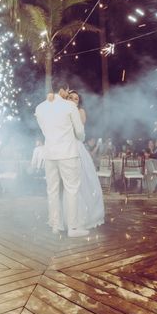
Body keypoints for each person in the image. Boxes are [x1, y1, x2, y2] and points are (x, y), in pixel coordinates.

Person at [35, 83, 88, 237]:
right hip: (68, 154)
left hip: (50, 154)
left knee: (52, 191)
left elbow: (44, 130)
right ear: (63, 90)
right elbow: (79, 132)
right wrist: (80, 138)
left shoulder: (40, 108)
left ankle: (55, 225)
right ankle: (73, 228)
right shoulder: (70, 107)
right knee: (71, 190)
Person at [66, 90, 104, 230]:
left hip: (76, 147)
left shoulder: (80, 111)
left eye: (76, 99)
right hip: (65, 147)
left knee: (83, 180)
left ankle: (85, 215)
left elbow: (80, 130)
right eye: (71, 97)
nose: (73, 100)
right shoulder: (62, 112)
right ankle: (68, 218)